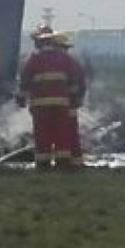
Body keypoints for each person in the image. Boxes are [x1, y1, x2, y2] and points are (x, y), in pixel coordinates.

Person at [18, 28, 86, 170]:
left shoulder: (34, 59)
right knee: (62, 133)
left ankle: (43, 164)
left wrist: (21, 98)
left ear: (40, 42)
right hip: (62, 104)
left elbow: (25, 80)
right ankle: (63, 163)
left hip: (40, 105)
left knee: (43, 134)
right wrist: (74, 98)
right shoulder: (65, 59)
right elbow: (74, 81)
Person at [50, 31, 88, 166]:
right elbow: (82, 83)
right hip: (69, 103)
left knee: (61, 133)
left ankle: (64, 161)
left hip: (61, 105)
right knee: (70, 133)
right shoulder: (72, 62)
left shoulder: (53, 62)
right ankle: (74, 161)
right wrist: (79, 98)